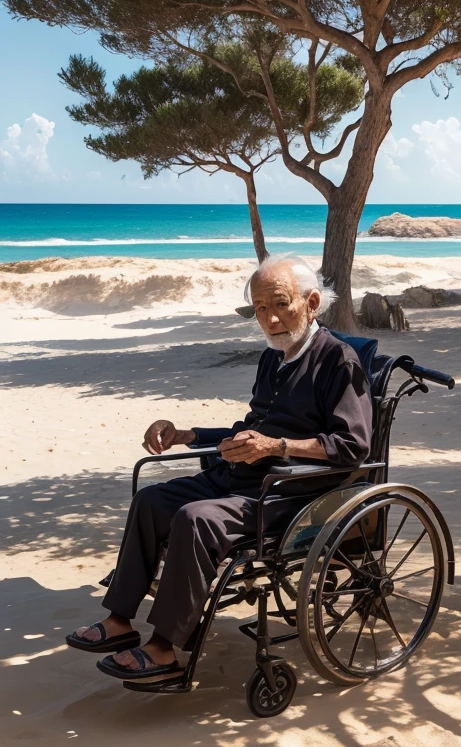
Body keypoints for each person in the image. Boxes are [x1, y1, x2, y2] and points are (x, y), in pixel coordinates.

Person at [65, 255, 373, 682]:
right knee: (151, 499)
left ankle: (164, 649)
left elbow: (353, 447)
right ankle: (119, 621)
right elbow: (253, 427)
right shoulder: (273, 357)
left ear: (312, 302)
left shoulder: (337, 360)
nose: (269, 319)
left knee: (195, 518)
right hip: (242, 478)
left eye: (280, 304)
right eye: (260, 309)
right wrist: (186, 435)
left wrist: (276, 446)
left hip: (293, 493)